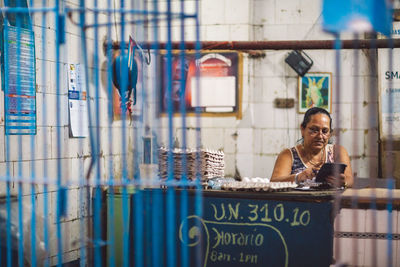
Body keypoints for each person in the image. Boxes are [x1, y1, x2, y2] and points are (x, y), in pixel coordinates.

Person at [271, 107, 353, 188]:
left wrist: (343, 182)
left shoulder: (337, 151)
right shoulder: (289, 155)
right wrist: (298, 177)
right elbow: (273, 182)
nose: (320, 136)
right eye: (314, 130)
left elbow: (350, 180)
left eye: (325, 131)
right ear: (302, 130)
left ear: (329, 134)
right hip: (298, 201)